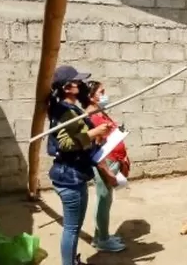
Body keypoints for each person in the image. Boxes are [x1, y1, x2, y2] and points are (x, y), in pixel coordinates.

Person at [47, 65, 118, 265]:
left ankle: (71, 260)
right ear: (67, 87)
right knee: (71, 228)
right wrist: (94, 133)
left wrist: (96, 137)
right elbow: (65, 144)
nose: (80, 83)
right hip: (69, 176)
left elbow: (78, 139)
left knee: (75, 227)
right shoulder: (64, 110)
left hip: (75, 174)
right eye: (76, 81)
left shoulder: (72, 108)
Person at [80, 80, 130, 253]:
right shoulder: (91, 118)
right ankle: (103, 240)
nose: (105, 94)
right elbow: (95, 151)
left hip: (114, 160)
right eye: (101, 92)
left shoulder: (101, 113)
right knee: (103, 199)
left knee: (106, 199)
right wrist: (107, 170)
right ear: (90, 96)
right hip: (106, 163)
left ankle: (100, 235)